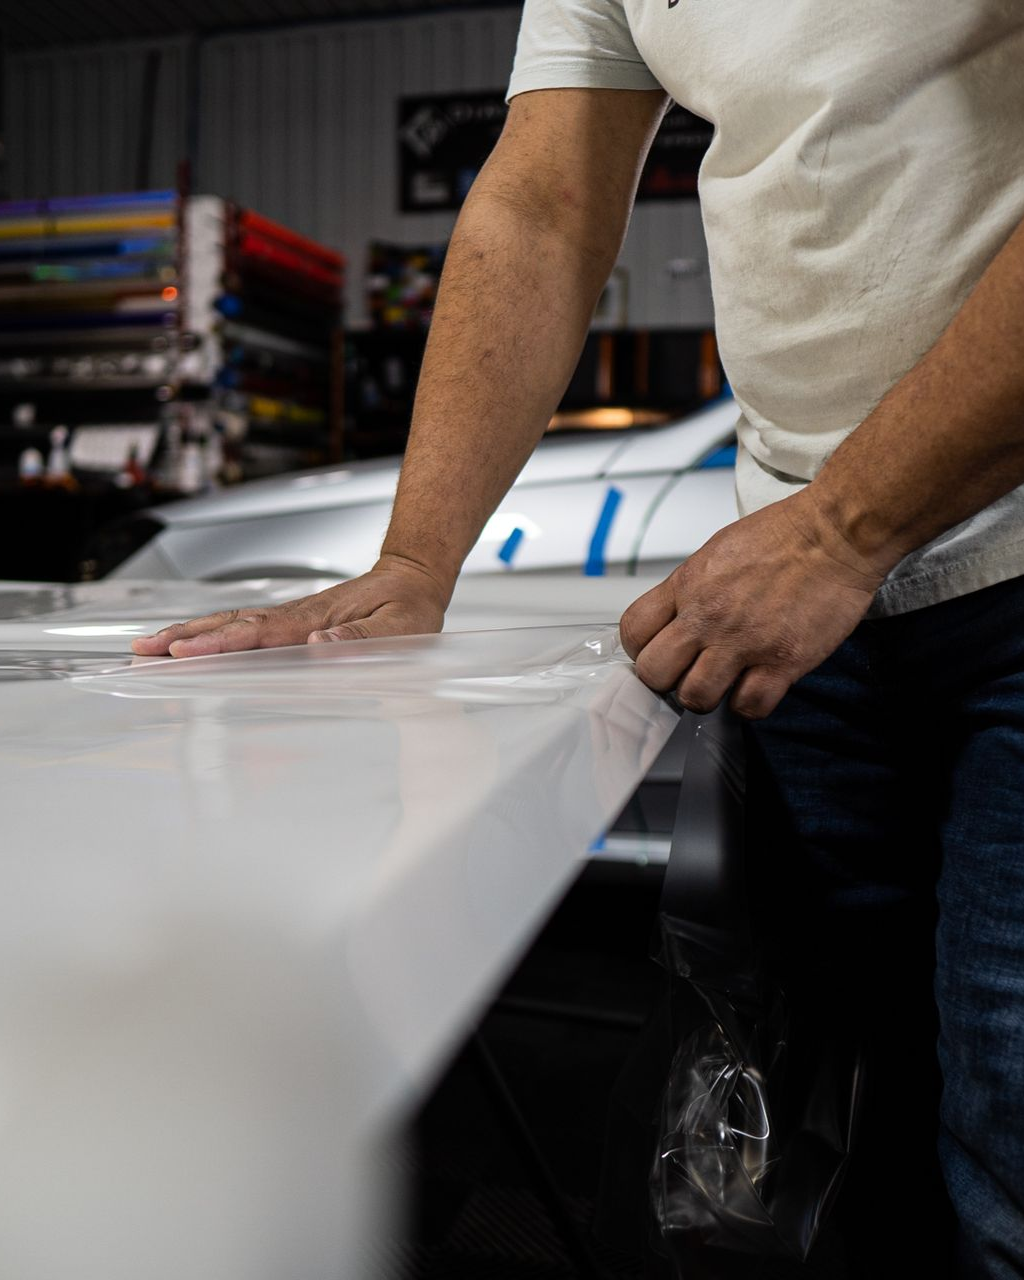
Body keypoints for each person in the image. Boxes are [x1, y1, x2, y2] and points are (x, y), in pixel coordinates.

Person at [134, 3, 1024, 1275]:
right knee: (838, 1140)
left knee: (1007, 1169)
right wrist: (413, 560)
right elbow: (541, 205)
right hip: (819, 618)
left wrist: (839, 530)